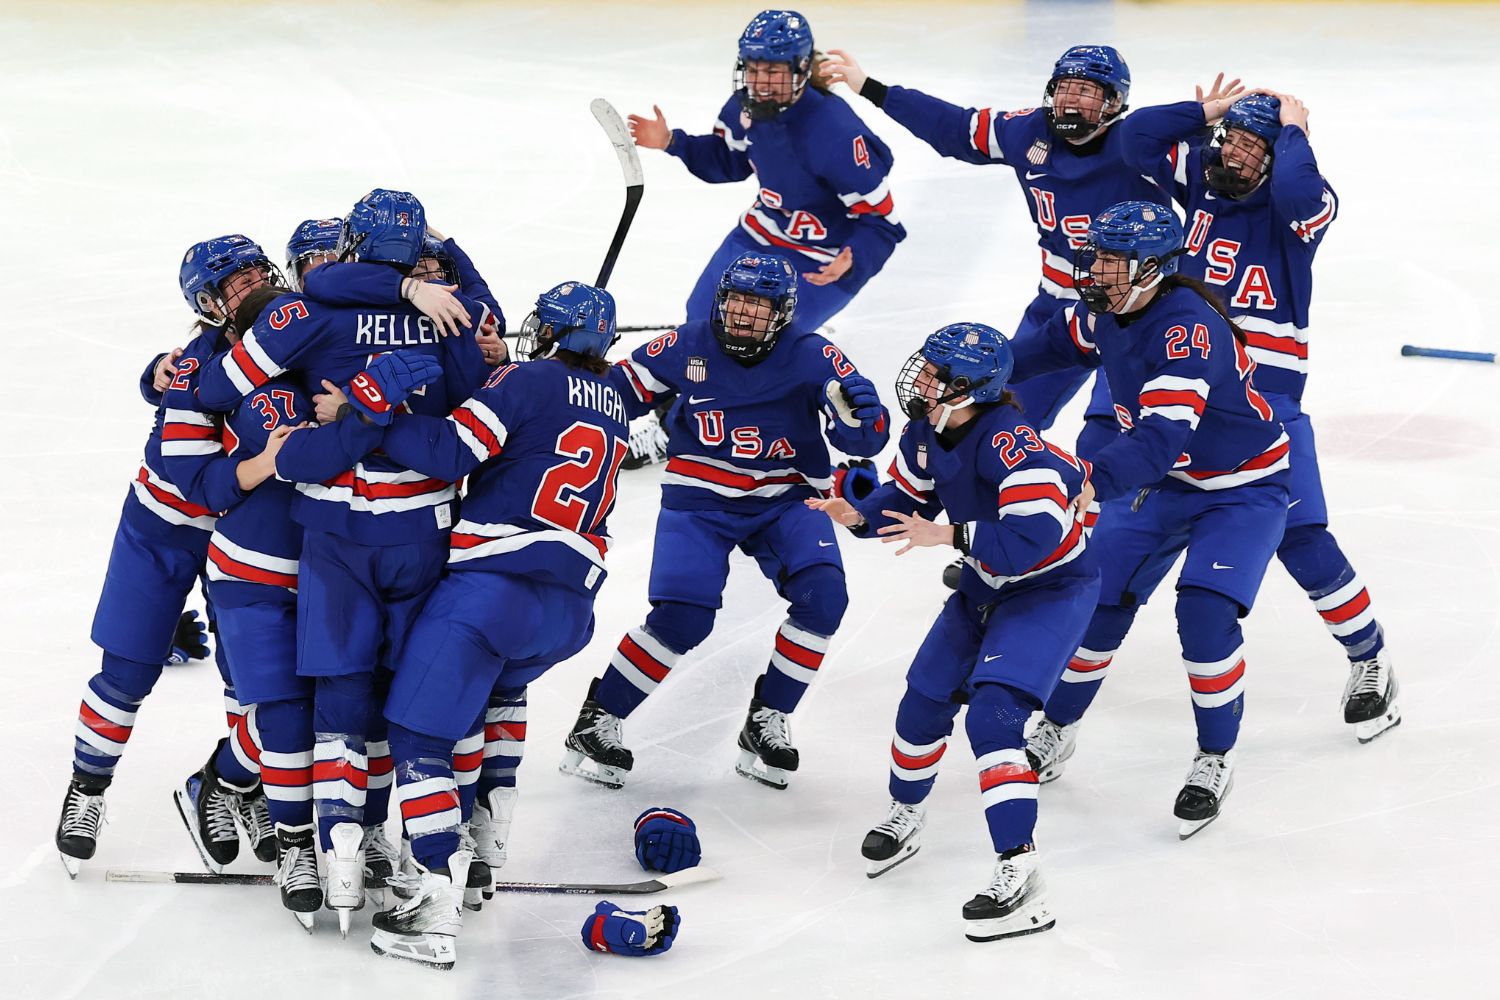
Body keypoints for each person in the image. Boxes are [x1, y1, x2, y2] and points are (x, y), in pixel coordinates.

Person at [194, 189, 496, 928]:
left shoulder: (307, 309)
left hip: (328, 537)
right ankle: (389, 846)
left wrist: (351, 409)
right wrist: (440, 291)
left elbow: (212, 385)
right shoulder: (444, 312)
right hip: (419, 535)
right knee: (391, 706)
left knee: (330, 704)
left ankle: (338, 865)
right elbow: (470, 403)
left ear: (356, 248)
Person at [350, 283, 630, 969]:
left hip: (492, 592)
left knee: (419, 732)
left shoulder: (525, 377)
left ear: (552, 332)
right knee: (495, 700)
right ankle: (485, 854)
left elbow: (450, 451)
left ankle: (432, 903)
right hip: (569, 611)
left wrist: (375, 420)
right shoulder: (616, 398)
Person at [1116, 89, 1399, 743]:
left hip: (1268, 408)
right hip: (1186, 405)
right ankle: (1066, 697)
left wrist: (1294, 130)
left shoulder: (1292, 208)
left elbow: (1302, 188)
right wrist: (1209, 115)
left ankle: (1370, 658)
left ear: (1278, 159)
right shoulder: (1203, 185)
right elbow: (1135, 139)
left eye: (1254, 147)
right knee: (1136, 547)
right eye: (1232, 142)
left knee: (1301, 539)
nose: (1236, 155)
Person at [1010, 200, 1292, 839]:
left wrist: (1089, 480)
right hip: (1165, 484)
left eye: (1115, 260)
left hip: (1240, 489)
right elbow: (1043, 349)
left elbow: (1160, 440)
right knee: (1100, 599)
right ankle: (1059, 726)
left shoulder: (1184, 329)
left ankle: (1214, 757)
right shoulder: (1106, 310)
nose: (1099, 270)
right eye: (1098, 255)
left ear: (1156, 268)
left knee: (1204, 611)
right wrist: (975, 376)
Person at [809, 322, 1097, 942]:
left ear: (974, 387)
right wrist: (858, 514)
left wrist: (950, 536)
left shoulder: (1013, 444)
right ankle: (905, 815)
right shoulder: (928, 429)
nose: (924, 380)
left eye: (939, 374)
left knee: (992, 718)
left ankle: (1020, 872)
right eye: (928, 367)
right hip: (984, 583)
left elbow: (1037, 537)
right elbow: (906, 501)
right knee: (922, 705)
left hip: (1049, 590)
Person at [558, 252, 889, 791]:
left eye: (757, 305)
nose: (742, 314)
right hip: (699, 502)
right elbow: (612, 394)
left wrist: (864, 421)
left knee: (825, 599)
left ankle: (767, 719)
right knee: (682, 618)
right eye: (736, 300)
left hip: (786, 498)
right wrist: (560, 384)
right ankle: (599, 718)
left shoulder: (816, 356)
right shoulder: (688, 342)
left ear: (782, 313)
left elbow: (866, 442)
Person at [822, 46, 1213, 444]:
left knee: (1114, 436)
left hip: (1137, 311)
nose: (1071, 99)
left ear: (1114, 101)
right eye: (1064, 87)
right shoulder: (1027, 130)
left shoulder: (1140, 147)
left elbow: (1216, 206)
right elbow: (955, 127)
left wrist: (1203, 144)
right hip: (1057, 306)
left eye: (1087, 90)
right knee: (995, 418)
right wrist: (873, 88)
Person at [55, 236, 285, 877]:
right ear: (211, 305)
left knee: (257, 685)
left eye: (256, 274)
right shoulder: (196, 366)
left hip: (236, 537)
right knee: (127, 669)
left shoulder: (293, 335)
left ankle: (238, 785)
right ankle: (88, 788)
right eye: (235, 284)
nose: (252, 288)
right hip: (162, 528)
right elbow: (188, 475)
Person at [194, 284, 389, 929]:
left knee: (327, 709)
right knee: (284, 712)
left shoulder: (325, 370)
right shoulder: (261, 393)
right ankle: (297, 847)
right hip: (249, 575)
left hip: (324, 570)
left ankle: (221, 780)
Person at [630, 10, 905, 333]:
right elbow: (727, 160)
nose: (760, 83)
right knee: (702, 319)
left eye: (773, 71)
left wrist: (853, 258)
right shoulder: (746, 108)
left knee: (766, 342)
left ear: (801, 68)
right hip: (758, 235)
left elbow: (884, 224)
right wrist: (671, 141)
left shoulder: (836, 134)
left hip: (821, 256)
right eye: (753, 69)